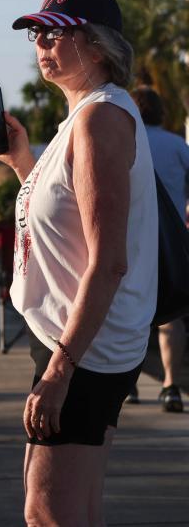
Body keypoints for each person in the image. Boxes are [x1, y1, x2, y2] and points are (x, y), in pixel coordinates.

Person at [0, 0, 156, 525]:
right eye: (36, 35)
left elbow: (109, 258)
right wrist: (23, 163)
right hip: (79, 341)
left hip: (83, 348)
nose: (41, 45)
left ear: (97, 45)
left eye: (54, 34)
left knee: (48, 514)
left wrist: (61, 370)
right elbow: (64, 224)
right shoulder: (85, 117)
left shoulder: (100, 119)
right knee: (73, 511)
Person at [131, 85, 186, 412]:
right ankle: (170, 385)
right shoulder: (177, 144)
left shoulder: (127, 139)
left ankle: (130, 386)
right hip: (172, 243)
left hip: (132, 239)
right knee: (172, 318)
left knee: (129, 314)